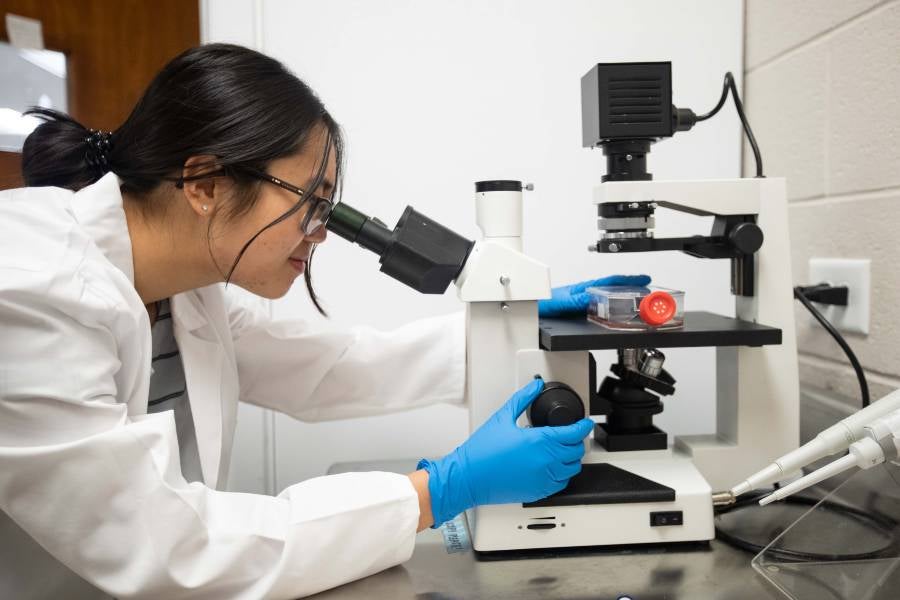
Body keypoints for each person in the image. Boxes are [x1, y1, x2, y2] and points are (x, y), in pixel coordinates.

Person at [0, 44, 648, 599]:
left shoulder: (189, 293)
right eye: (312, 204)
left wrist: (515, 324)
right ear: (204, 183)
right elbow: (167, 543)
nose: (322, 234)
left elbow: (334, 368)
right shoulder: (32, 291)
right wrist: (440, 490)